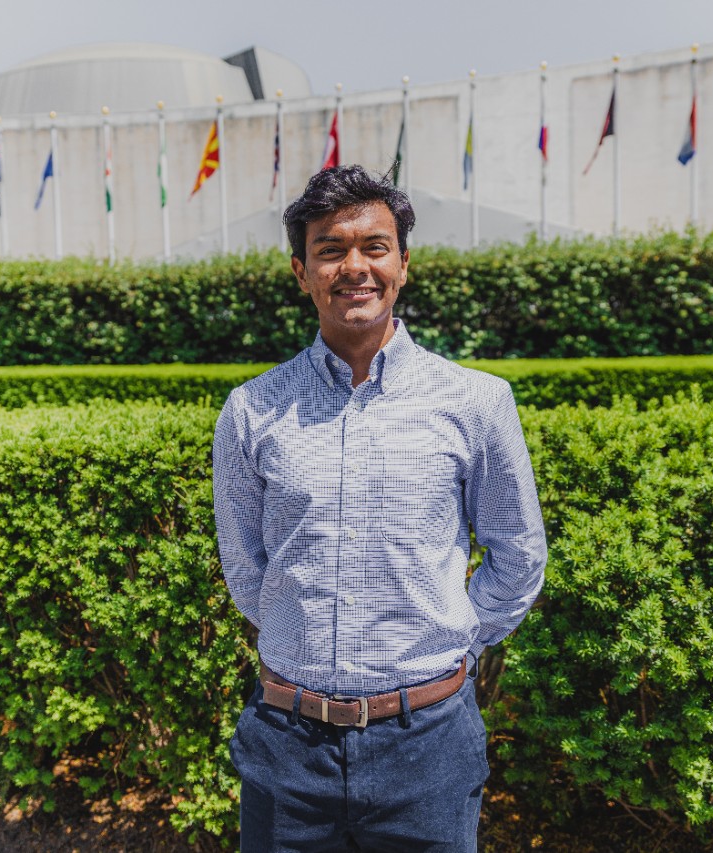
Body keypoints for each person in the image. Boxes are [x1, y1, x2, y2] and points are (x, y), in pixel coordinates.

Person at [212, 164, 547, 852]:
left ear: (403, 264)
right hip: (287, 740)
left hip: (428, 741)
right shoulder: (252, 410)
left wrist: (453, 637)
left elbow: (518, 555)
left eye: (374, 246)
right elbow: (247, 570)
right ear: (301, 271)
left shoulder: (476, 402)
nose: (354, 266)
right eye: (331, 249)